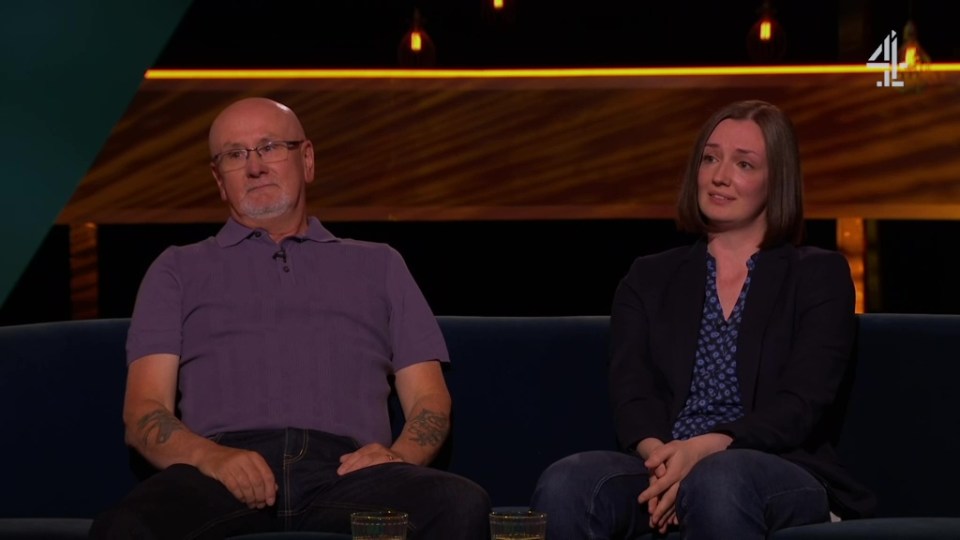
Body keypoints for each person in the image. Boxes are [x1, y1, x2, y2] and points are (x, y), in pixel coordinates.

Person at [90, 97, 490, 539]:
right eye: (235, 155)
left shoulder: (381, 264)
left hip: (347, 474)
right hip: (218, 473)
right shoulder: (176, 269)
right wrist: (211, 458)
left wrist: (400, 457)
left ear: (307, 159)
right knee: (124, 527)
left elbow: (429, 401)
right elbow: (144, 410)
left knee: (459, 505)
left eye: (270, 147)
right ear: (219, 181)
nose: (255, 166)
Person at [530, 100, 876, 539]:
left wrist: (705, 451)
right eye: (710, 158)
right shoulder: (648, 277)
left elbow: (801, 404)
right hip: (663, 461)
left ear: (777, 181)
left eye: (744, 164)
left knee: (719, 480)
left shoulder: (818, 276)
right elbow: (632, 392)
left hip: (777, 465)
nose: (719, 176)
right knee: (569, 483)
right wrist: (666, 462)